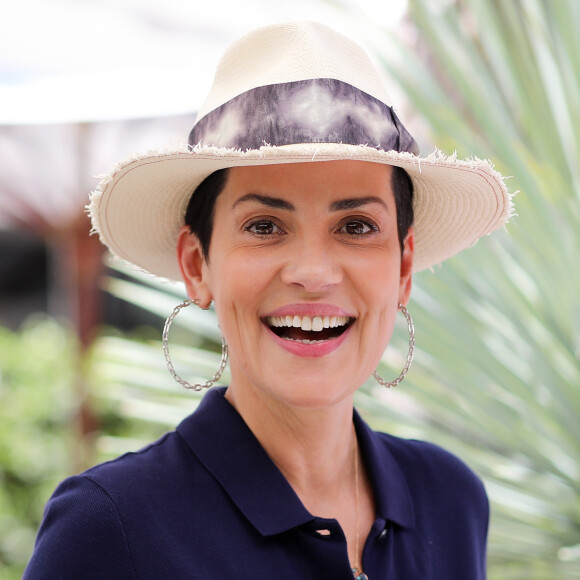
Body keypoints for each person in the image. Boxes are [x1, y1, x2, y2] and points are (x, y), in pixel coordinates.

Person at [25, 21, 512, 579]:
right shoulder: (112, 528)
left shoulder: (450, 500)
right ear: (196, 264)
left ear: (403, 267)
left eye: (355, 226)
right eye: (264, 225)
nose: (313, 273)